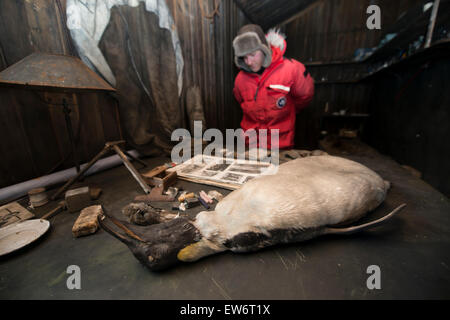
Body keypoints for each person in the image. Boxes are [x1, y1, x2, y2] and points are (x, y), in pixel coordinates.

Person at [232, 24, 314, 151]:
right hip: (251, 146)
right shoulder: (240, 80)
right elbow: (240, 101)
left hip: (280, 145)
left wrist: (289, 110)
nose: (248, 62)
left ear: (264, 49)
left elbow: (305, 96)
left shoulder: (291, 69)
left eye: (253, 54)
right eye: (244, 57)